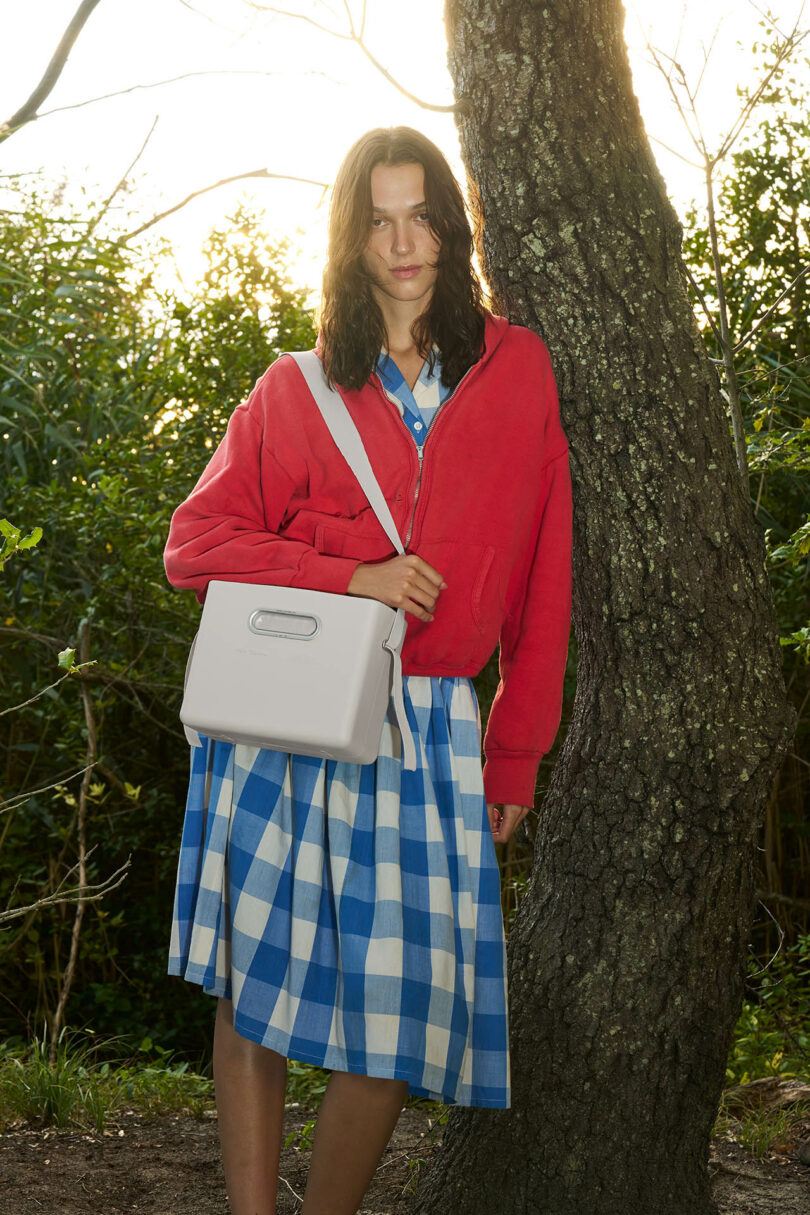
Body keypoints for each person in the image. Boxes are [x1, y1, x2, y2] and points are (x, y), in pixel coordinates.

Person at [163, 125, 572, 1215]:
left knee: (393, 1018)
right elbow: (193, 545)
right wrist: (352, 574)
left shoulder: (514, 366)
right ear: (350, 240)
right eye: (378, 219)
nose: (404, 243)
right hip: (287, 719)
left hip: (432, 727)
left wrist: (516, 754)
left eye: (421, 214)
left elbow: (544, 571)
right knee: (254, 996)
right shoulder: (295, 390)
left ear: (452, 224)